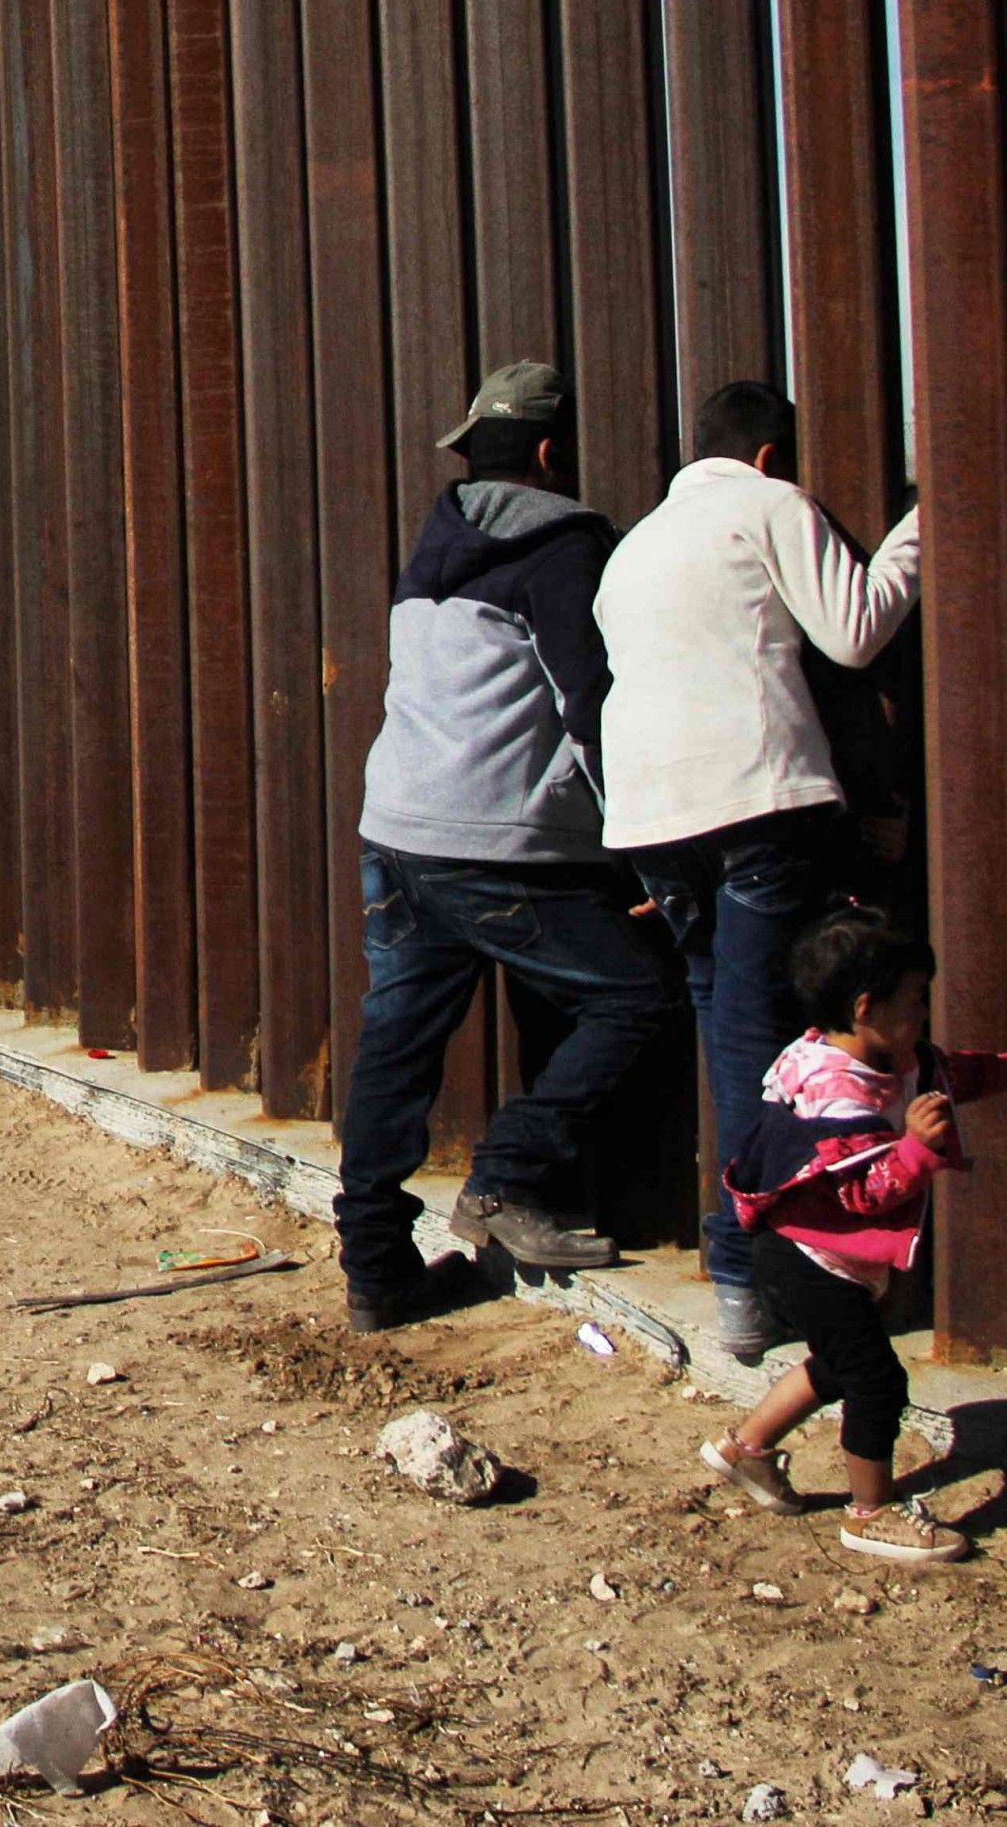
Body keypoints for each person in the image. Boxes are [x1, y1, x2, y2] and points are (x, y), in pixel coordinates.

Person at [332, 360, 681, 1332]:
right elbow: (589, 706)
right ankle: (506, 1175)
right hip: (495, 842)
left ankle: (376, 1269)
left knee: (395, 1045)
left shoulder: (433, 542)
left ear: (467, 451)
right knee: (634, 997)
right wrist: (643, 853)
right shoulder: (566, 550)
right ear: (547, 450)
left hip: (394, 828)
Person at [599, 379, 920, 1362]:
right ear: (773, 455)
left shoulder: (634, 545)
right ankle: (748, 1279)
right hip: (751, 798)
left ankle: (760, 1262)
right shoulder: (768, 504)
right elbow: (854, 628)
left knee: (726, 1020)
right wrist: (920, 529)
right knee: (754, 1040)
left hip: (651, 816)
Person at [696, 909, 1007, 1565]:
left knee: (840, 1363)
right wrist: (918, 1149)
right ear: (867, 1008)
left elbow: (954, 1073)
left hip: (823, 1254)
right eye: (916, 1000)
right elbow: (863, 1191)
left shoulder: (889, 1056)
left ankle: (744, 1449)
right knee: (877, 1380)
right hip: (805, 1256)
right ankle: (872, 1512)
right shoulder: (837, 1094)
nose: (924, 1014)